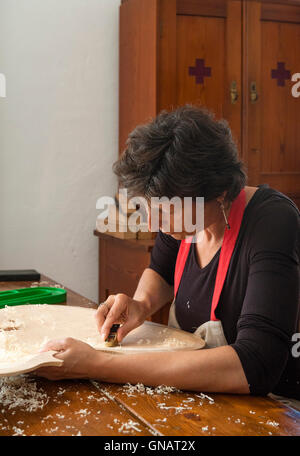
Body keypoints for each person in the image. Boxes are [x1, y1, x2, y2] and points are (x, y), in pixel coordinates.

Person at [35, 106, 300, 404]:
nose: (153, 224)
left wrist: (98, 364)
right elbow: (161, 270)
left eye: (165, 211)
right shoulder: (187, 216)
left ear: (219, 192)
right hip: (198, 396)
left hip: (270, 406)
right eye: (149, 209)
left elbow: (256, 365)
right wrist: (140, 304)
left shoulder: (273, 221)